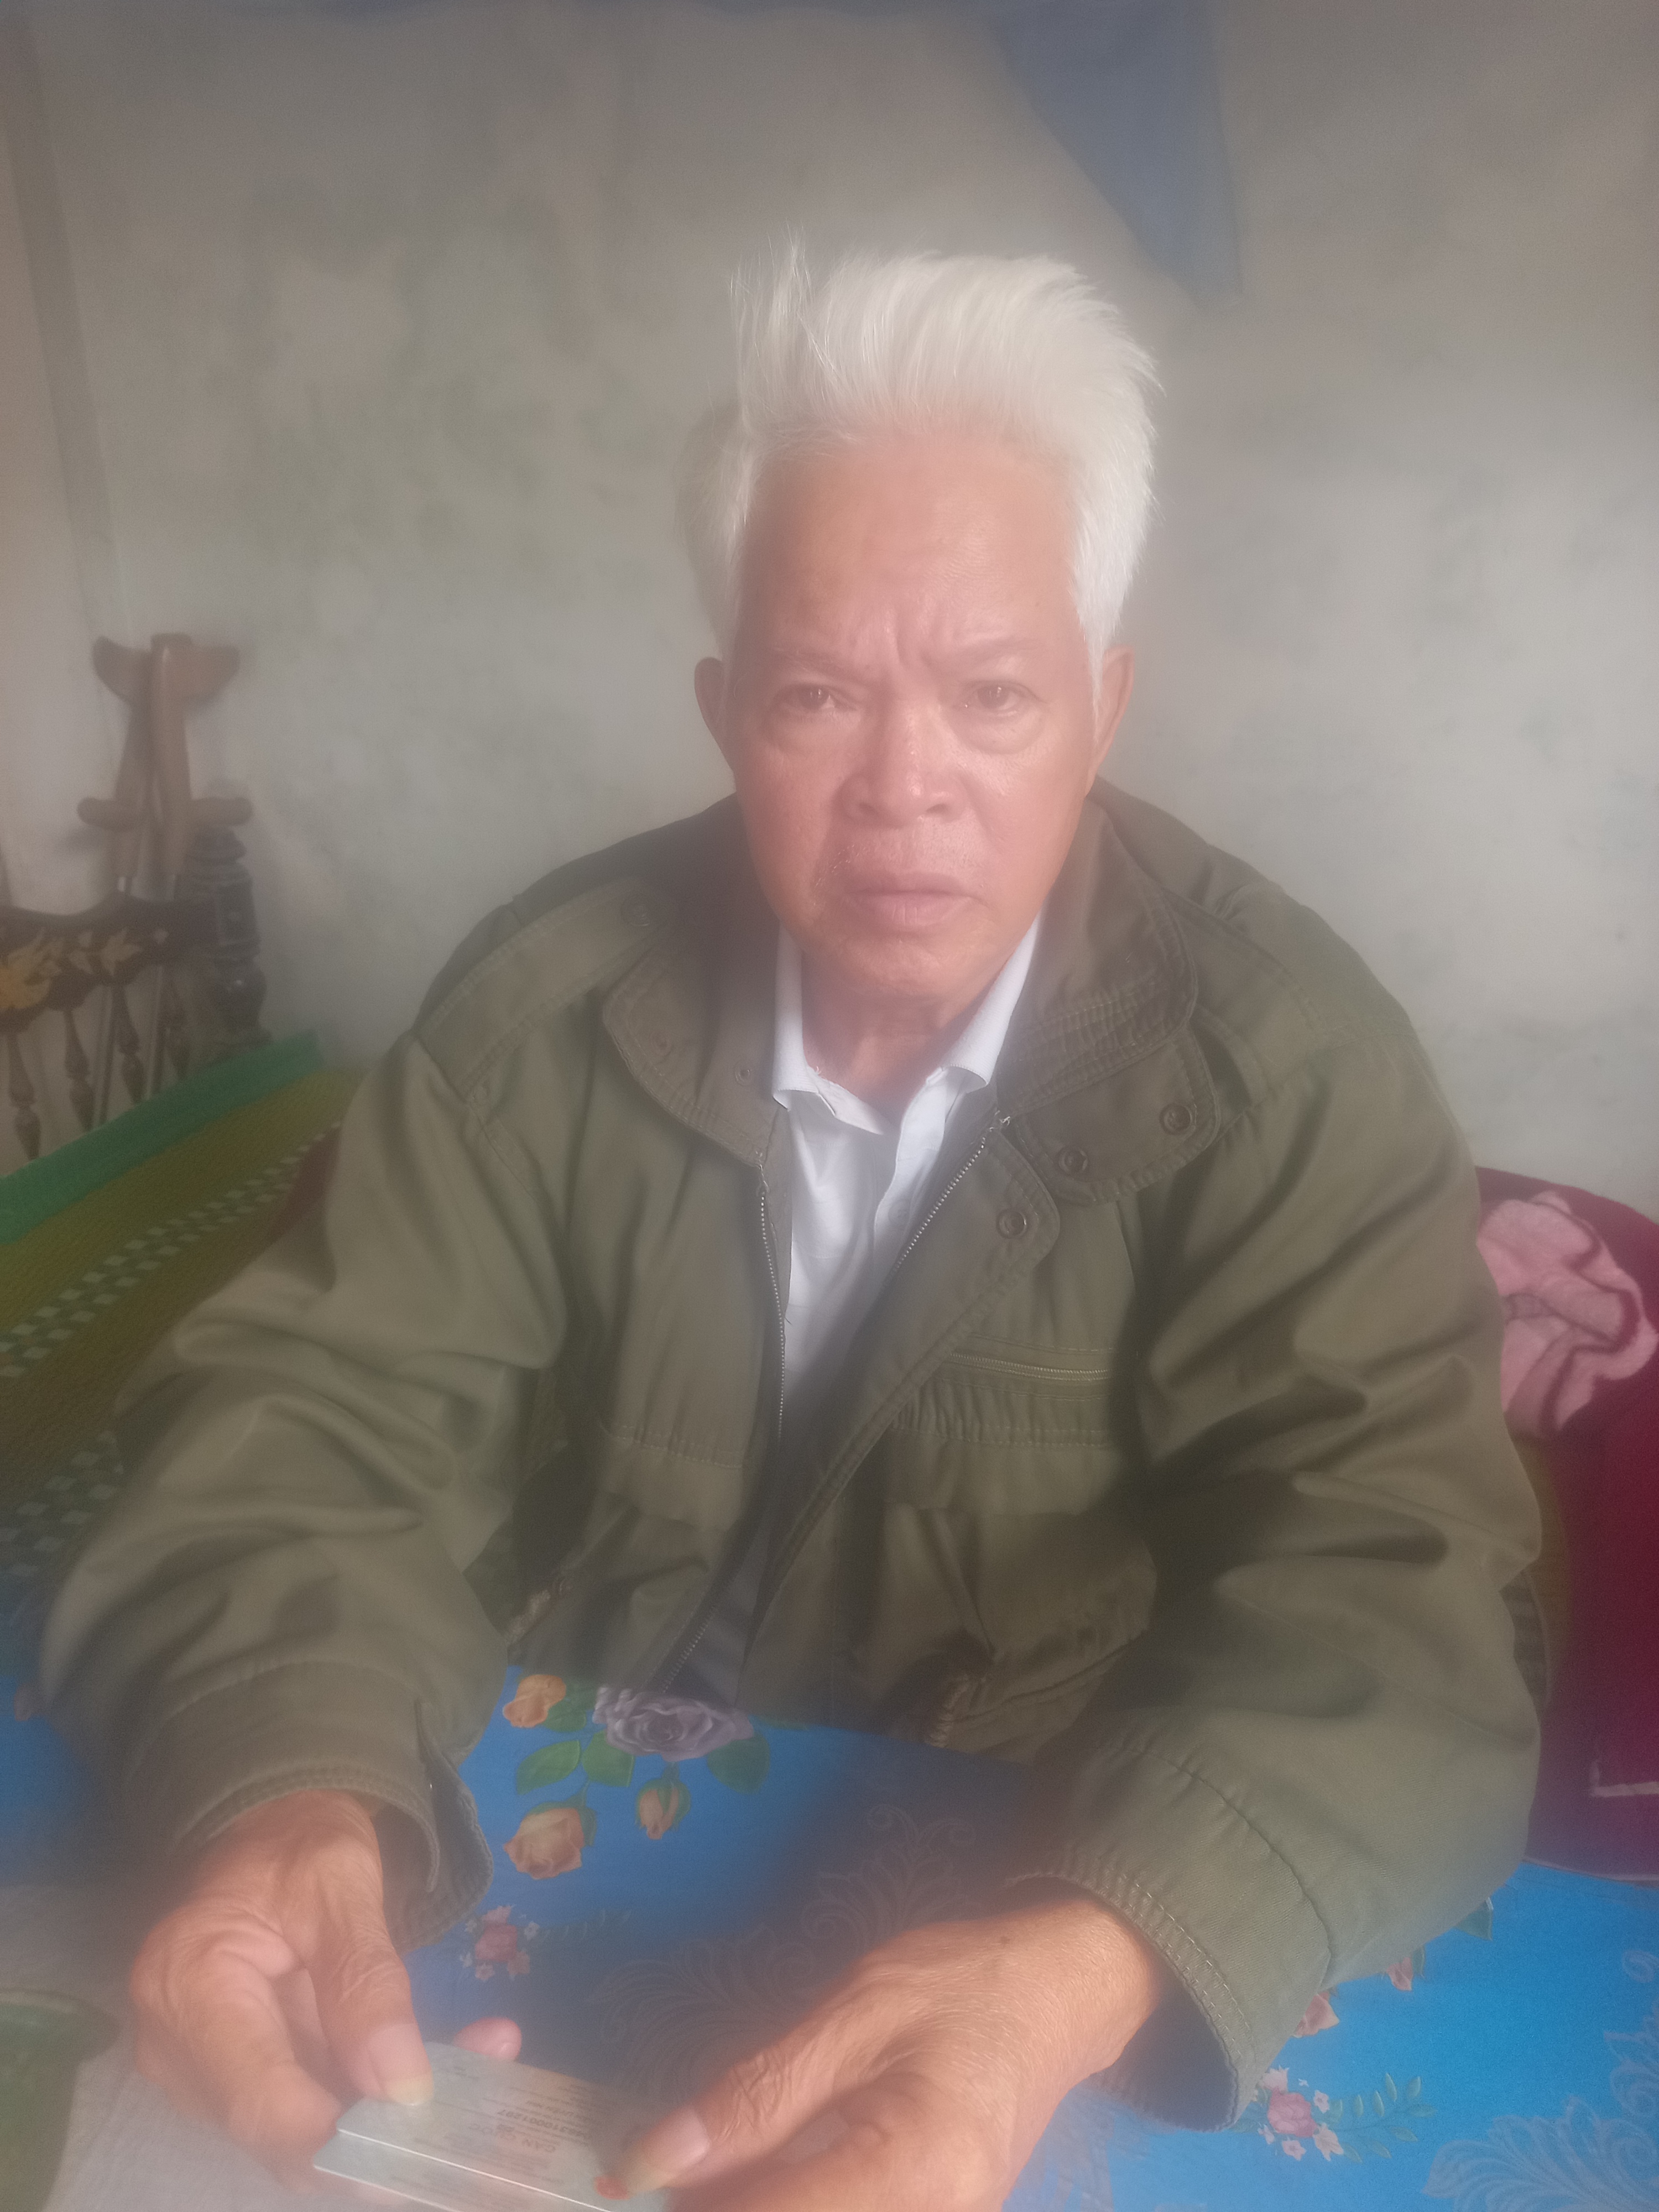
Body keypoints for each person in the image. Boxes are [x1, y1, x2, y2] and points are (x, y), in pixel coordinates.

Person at [41, 250, 1538, 2208]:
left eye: (994, 697)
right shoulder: (547, 1005)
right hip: (569, 1814)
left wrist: (1085, 1972)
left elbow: (1398, 1601)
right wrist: (286, 1789)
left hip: (1045, 1875)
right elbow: (311, 1425)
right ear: (728, 710)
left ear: (1101, 708)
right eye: (822, 695)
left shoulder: (1292, 1073)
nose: (908, 790)